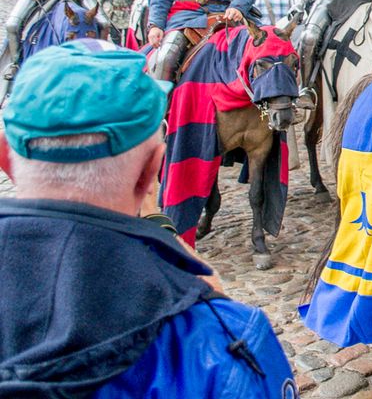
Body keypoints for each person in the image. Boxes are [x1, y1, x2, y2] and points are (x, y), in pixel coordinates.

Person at [0, 41, 296, 396]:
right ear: (153, 169)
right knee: (169, 53)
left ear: (6, 156)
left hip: (223, 15)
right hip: (182, 17)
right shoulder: (231, 339)